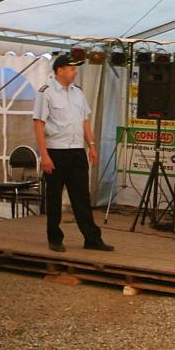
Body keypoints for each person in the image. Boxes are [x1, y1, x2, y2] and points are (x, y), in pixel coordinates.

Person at [33, 54, 114, 253]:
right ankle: (55, 238)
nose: (75, 72)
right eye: (72, 69)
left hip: (77, 151)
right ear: (60, 70)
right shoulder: (46, 92)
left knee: (82, 197)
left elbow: (84, 120)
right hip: (55, 151)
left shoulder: (78, 92)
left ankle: (92, 239)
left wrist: (91, 145)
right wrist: (44, 155)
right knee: (54, 197)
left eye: (76, 69)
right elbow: (38, 124)